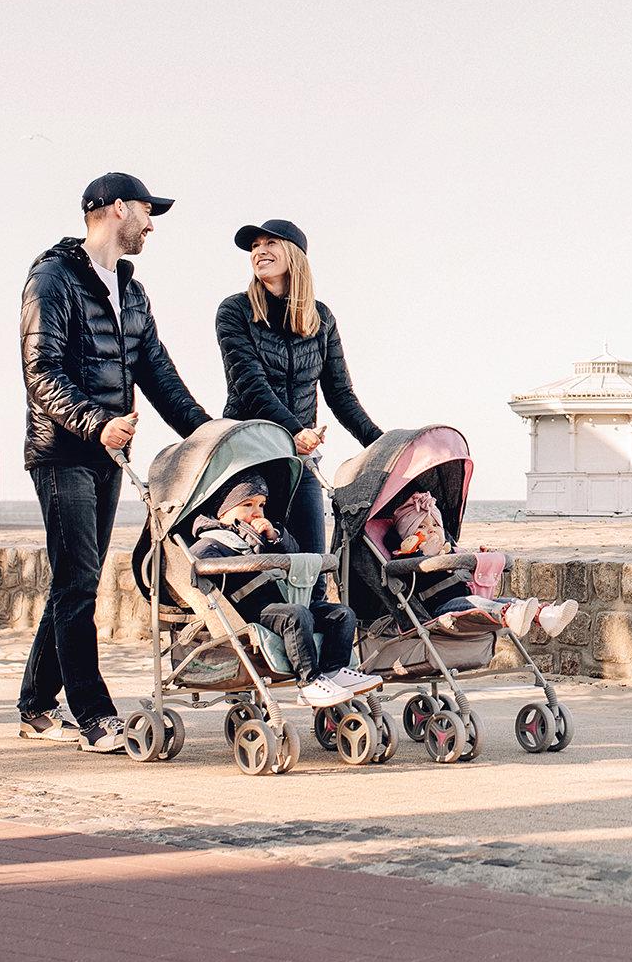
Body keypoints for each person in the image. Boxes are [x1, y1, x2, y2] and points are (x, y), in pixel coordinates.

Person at [19, 173, 212, 752]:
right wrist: (97, 423)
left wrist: (210, 435)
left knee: (73, 582)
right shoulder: (51, 279)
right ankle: (94, 714)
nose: (151, 225)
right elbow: (41, 372)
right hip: (62, 453)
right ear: (117, 209)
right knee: (78, 583)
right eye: (147, 213)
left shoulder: (130, 290)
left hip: (107, 454)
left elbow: (158, 373)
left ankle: (34, 705)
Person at [215, 219, 382, 559]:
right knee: (261, 561)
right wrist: (294, 429)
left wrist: (383, 446)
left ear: (294, 255)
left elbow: (340, 393)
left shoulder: (321, 318)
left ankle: (314, 613)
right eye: (254, 246)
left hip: (300, 457)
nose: (259, 251)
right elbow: (250, 385)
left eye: (270, 243)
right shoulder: (235, 311)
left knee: (314, 562)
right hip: (248, 456)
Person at [187, 475, 383, 707]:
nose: (256, 512)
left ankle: (334, 670)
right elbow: (201, 569)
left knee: (341, 614)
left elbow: (293, 553)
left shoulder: (259, 538)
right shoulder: (211, 543)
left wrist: (273, 537)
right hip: (250, 610)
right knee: (296, 616)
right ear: (222, 512)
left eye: (261, 505)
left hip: (282, 600)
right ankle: (308, 680)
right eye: (247, 505)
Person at [390, 492, 577, 636]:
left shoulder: (450, 552)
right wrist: (423, 556)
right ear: (407, 535)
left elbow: (466, 570)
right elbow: (406, 578)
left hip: (464, 600)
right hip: (438, 611)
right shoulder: (404, 559)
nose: (431, 530)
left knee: (501, 601)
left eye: (436, 525)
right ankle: (510, 614)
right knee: (475, 603)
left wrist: (481, 560)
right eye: (421, 527)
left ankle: (547, 616)